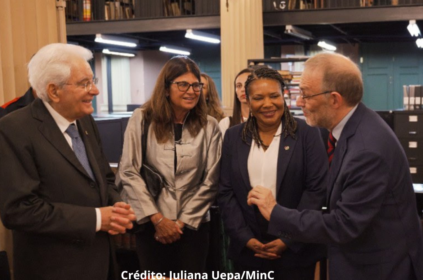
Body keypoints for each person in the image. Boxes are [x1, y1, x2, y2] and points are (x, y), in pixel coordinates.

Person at [247, 53, 423, 280]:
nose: (299, 102)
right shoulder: (351, 127)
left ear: (334, 99)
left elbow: (343, 224)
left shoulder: (366, 149)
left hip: (378, 267)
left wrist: (275, 212)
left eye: (305, 95)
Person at [0, 43, 136, 280]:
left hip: (100, 263)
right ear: (53, 91)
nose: (95, 90)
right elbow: (19, 210)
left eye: (92, 81)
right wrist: (96, 219)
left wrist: (116, 207)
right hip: (53, 269)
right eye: (85, 83)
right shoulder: (13, 130)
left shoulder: (84, 121)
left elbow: (103, 177)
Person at [218, 67, 327, 280]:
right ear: (247, 100)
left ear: (283, 96)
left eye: (274, 96)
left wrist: (288, 238)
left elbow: (316, 190)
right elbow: (225, 191)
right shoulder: (233, 137)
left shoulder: (307, 133)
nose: (268, 104)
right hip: (248, 252)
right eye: (258, 98)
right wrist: (245, 238)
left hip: (295, 250)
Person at [118, 56, 221, 275]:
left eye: (196, 85)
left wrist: (181, 222)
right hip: (151, 226)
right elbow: (128, 171)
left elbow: (212, 180)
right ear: (166, 88)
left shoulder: (209, 124)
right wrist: (158, 219)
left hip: (193, 227)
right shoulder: (142, 119)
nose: (191, 91)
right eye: (182, 84)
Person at [219, 68, 253, 136]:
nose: (243, 89)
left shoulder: (264, 121)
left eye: (247, 84)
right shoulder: (226, 123)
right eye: (239, 86)